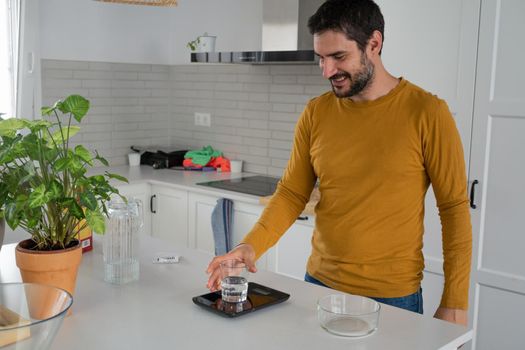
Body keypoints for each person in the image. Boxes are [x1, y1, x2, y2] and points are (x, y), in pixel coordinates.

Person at [206, 0, 472, 326]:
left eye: (338, 57)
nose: (328, 70)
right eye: (321, 58)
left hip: (392, 298)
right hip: (318, 286)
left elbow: (454, 208)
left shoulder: (428, 113)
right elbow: (291, 193)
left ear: (374, 44)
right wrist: (250, 246)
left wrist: (455, 302)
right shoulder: (316, 112)